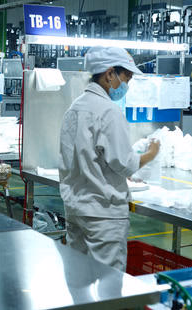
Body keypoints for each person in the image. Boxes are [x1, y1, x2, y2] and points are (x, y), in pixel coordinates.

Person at [58, 47, 160, 272]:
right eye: (127, 77)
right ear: (110, 74)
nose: (127, 85)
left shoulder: (74, 108)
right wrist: (151, 154)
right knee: (108, 282)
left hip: (75, 208)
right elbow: (124, 164)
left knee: (78, 277)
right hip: (103, 215)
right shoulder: (109, 111)